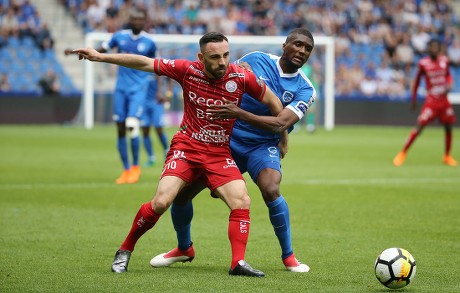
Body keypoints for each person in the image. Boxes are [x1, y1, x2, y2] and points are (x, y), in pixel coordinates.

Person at [69, 32, 286, 277]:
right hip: (187, 148)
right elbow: (144, 63)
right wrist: (101, 57)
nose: (222, 62)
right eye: (214, 57)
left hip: (218, 153)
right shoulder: (187, 70)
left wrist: (282, 139)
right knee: (162, 201)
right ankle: (125, 249)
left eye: (226, 55)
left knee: (242, 201)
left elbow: (274, 102)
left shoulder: (242, 77)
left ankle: (238, 263)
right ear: (201, 57)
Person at [149, 28, 316, 273]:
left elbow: (282, 121)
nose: (301, 51)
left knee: (271, 189)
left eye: (307, 48)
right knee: (182, 194)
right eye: (297, 44)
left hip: (263, 145)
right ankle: (184, 248)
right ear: (284, 45)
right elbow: (223, 76)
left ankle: (289, 257)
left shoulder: (306, 89)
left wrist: (278, 135)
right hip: (226, 141)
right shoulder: (255, 59)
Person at [66, 8, 158, 184]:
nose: (137, 22)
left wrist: (159, 90)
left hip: (138, 89)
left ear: (144, 21)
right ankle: (126, 169)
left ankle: (136, 167)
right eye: (134, 19)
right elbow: (102, 50)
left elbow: (156, 65)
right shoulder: (119, 36)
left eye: (140, 19)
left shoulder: (150, 42)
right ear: (130, 20)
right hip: (120, 89)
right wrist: (89, 53)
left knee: (132, 124)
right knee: (120, 128)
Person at [393, 39, 458, 167]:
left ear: (439, 48)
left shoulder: (444, 60)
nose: (434, 49)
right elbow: (417, 81)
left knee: (449, 127)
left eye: (436, 47)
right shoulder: (423, 63)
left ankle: (447, 156)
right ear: (428, 49)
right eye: (431, 47)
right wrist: (414, 99)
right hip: (432, 101)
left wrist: (450, 83)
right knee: (420, 126)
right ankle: (403, 152)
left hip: (444, 100)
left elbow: (448, 75)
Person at [141, 75, 170, 167]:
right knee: (145, 130)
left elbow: (169, 79)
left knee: (158, 128)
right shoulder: (139, 66)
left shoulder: (155, 64)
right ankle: (151, 158)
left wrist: (167, 93)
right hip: (143, 103)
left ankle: (167, 151)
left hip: (156, 102)